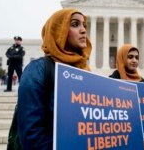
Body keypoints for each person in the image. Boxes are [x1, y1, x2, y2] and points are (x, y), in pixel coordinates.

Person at [17, 8, 92, 149]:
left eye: (84, 25)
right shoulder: (37, 70)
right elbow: (32, 136)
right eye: (75, 24)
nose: (83, 30)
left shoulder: (85, 71)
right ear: (59, 31)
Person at [109, 44, 144, 148]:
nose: (134, 60)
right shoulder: (110, 81)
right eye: (130, 57)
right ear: (122, 58)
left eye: (137, 57)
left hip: (141, 139)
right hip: (118, 139)